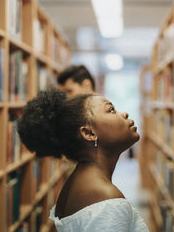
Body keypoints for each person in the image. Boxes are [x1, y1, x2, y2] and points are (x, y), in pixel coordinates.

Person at [17, 89, 148, 231]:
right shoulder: (105, 197)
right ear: (89, 133)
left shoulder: (79, 181)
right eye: (111, 110)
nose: (124, 114)